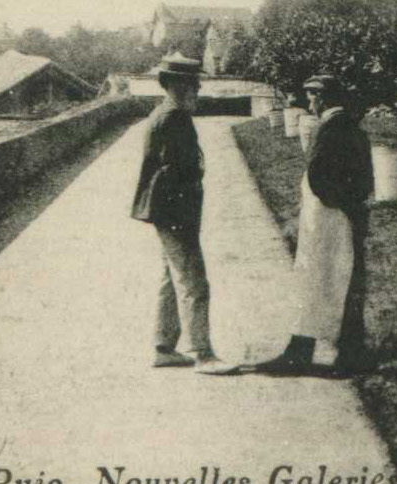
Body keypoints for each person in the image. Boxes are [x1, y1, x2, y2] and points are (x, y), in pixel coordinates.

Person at [252, 73, 375, 376]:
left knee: (321, 278)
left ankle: (308, 352)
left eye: (312, 96)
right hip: (342, 214)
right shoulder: (353, 129)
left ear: (323, 98)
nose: (309, 102)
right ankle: (347, 349)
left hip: (330, 218)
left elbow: (320, 177)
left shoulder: (331, 129)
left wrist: (337, 204)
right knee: (343, 278)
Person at [130, 52, 231, 374]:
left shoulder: (166, 112)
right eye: (192, 84)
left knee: (171, 279)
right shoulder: (174, 117)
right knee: (193, 282)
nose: (198, 89)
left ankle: (164, 347)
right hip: (175, 212)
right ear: (174, 85)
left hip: (167, 211)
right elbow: (176, 171)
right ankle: (203, 354)